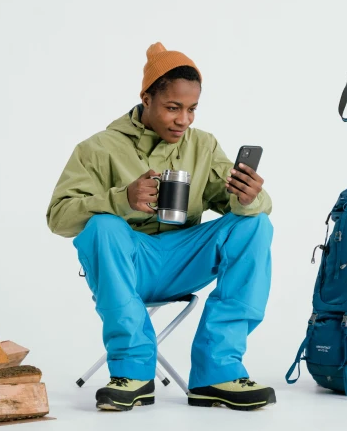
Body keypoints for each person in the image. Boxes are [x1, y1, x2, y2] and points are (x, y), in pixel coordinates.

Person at [47, 42, 274, 411]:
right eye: (173, 107)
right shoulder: (98, 148)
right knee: (103, 227)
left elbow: (236, 204)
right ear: (146, 99)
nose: (183, 120)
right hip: (127, 264)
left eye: (191, 109)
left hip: (185, 260)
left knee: (255, 225)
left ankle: (217, 372)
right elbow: (58, 217)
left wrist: (250, 197)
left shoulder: (203, 145)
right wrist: (121, 198)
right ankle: (133, 373)